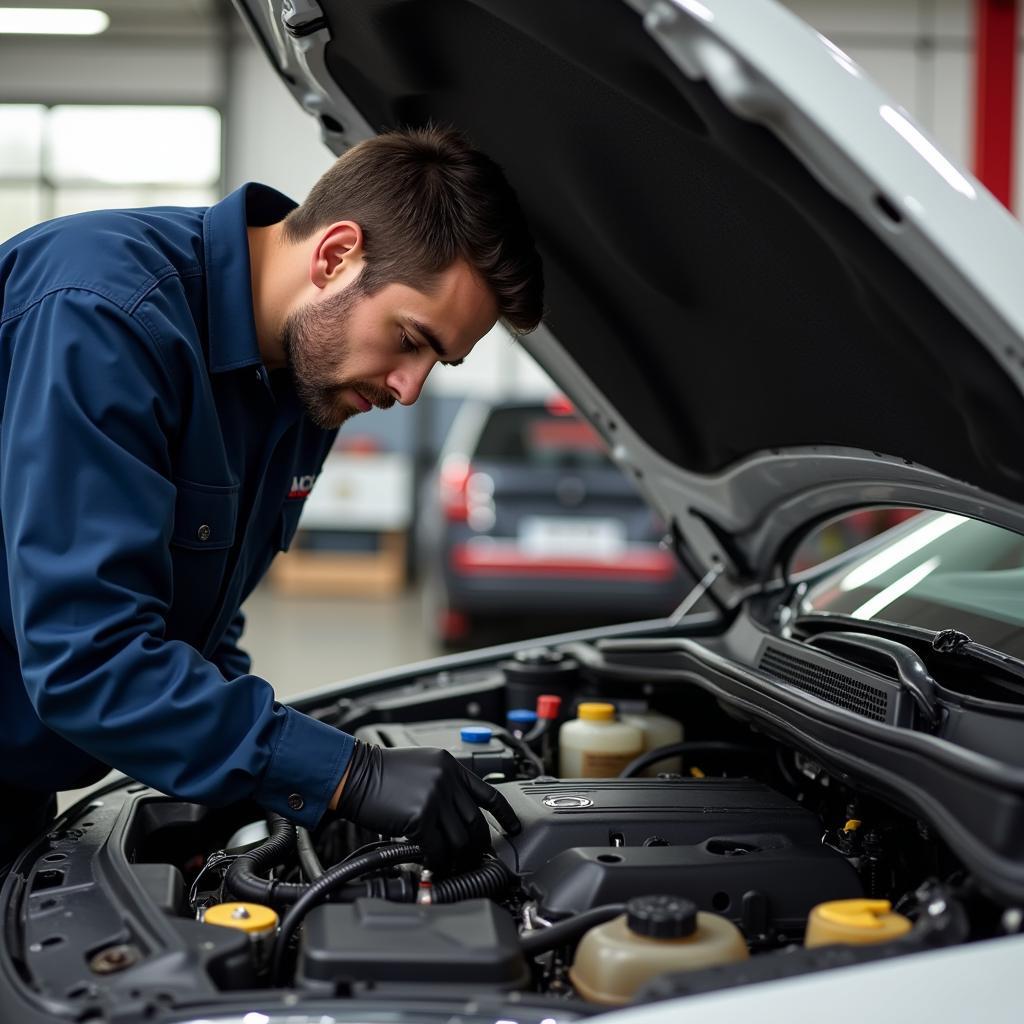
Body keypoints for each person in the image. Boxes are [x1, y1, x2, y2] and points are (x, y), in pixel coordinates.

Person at [0, 126, 543, 871]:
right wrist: (347, 774)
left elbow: (200, 626)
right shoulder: (105, 316)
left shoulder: (306, 377)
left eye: (438, 362)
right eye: (410, 339)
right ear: (335, 256)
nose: (409, 389)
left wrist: (279, 787)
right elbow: (88, 661)